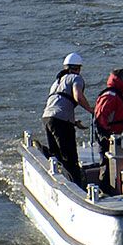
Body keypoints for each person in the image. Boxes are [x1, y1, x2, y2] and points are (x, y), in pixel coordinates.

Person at [41, 52, 92, 185]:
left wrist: (74, 123)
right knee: (70, 158)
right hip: (61, 121)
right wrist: (92, 110)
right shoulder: (76, 78)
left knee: (57, 156)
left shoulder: (56, 82)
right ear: (78, 68)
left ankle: (48, 153)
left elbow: (58, 103)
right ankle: (78, 187)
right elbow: (78, 97)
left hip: (47, 118)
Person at [91, 69, 123, 157]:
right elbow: (100, 118)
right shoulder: (110, 96)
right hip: (110, 140)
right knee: (107, 166)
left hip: (119, 138)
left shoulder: (116, 95)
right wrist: (107, 137)